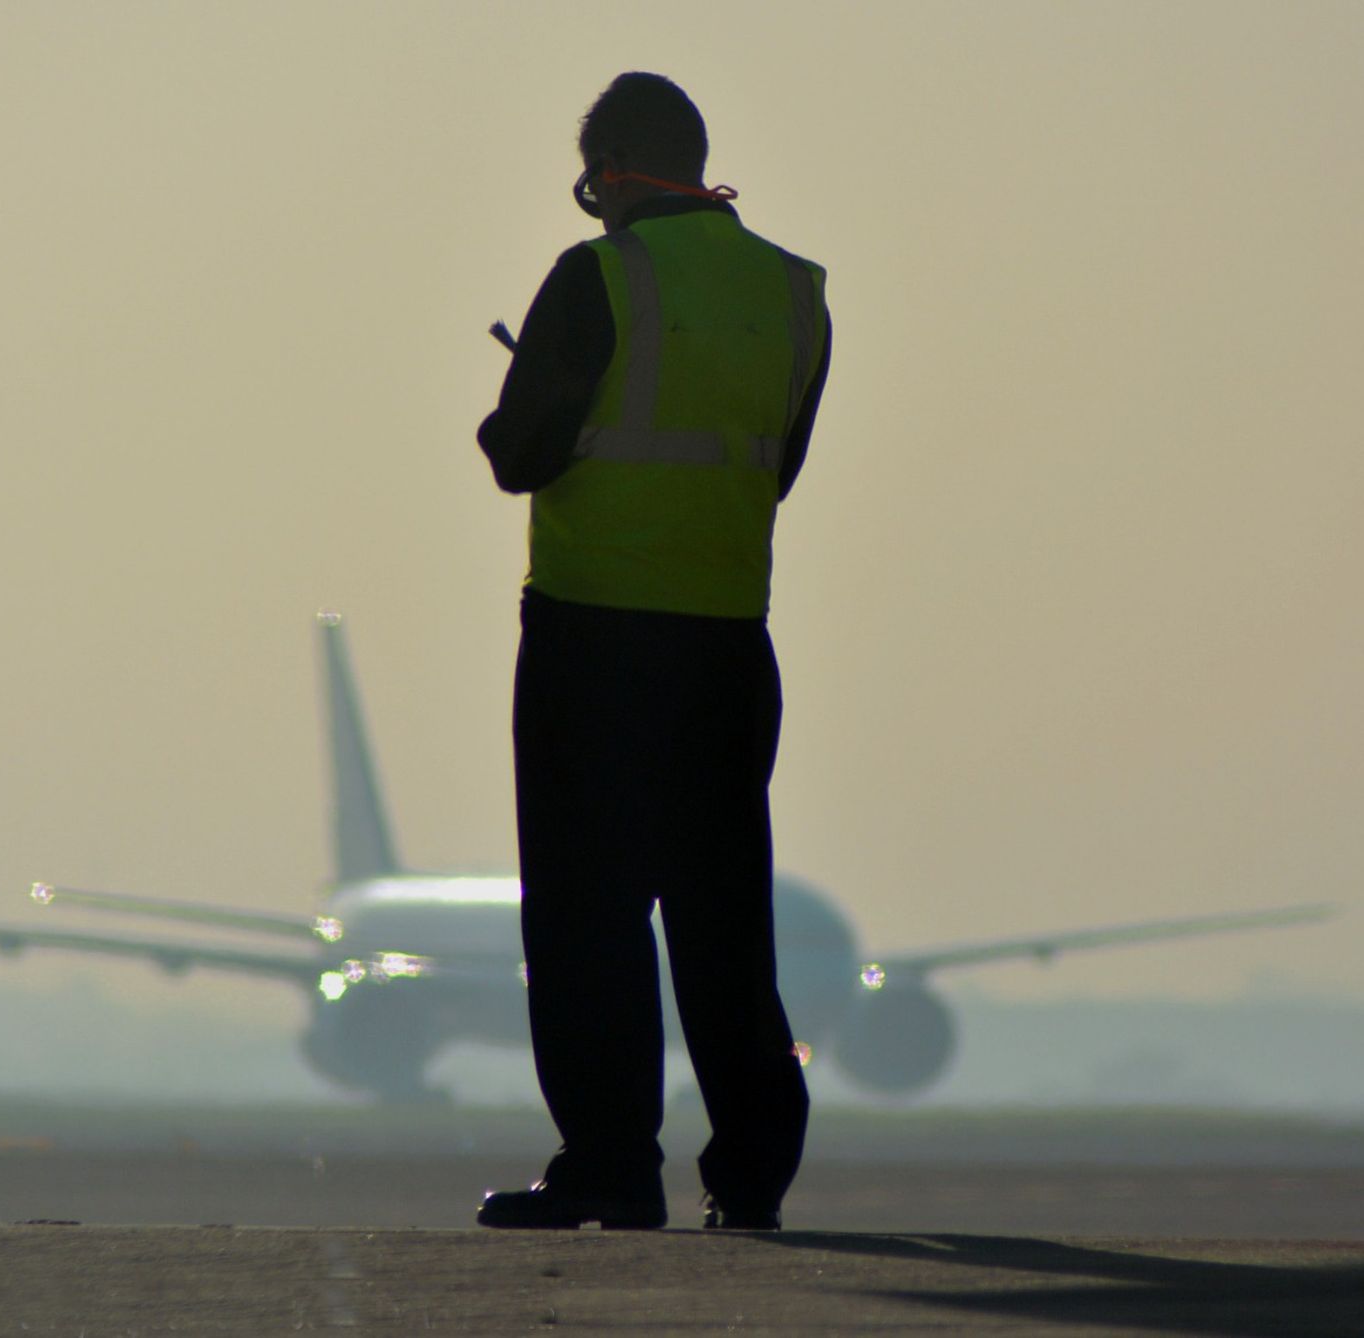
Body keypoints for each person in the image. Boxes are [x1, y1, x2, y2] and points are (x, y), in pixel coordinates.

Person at [475, 72, 831, 1231]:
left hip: (594, 635)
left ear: (614, 170)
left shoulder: (598, 278)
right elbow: (775, 466)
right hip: (731, 641)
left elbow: (522, 454)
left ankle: (612, 1165)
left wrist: (507, 404)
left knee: (589, 915)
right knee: (726, 917)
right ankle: (755, 1174)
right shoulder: (794, 293)